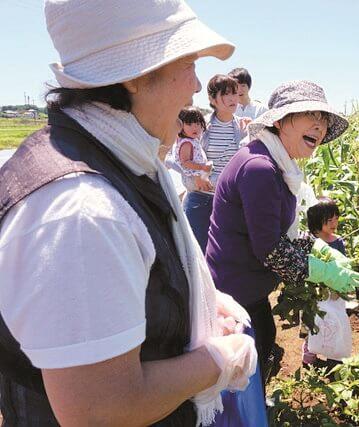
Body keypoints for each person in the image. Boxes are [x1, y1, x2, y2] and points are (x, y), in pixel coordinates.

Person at [0, 1, 257, 425]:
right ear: (137, 74)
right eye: (188, 61)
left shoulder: (116, 156)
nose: (196, 85)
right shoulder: (83, 214)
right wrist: (216, 360)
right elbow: (100, 410)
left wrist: (201, 304)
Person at [205, 80, 359, 385]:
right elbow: (270, 248)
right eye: (310, 117)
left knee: (262, 350)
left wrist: (318, 249)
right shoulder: (260, 168)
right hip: (234, 295)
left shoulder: (276, 163)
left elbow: (276, 232)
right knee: (242, 373)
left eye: (324, 121)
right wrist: (320, 269)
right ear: (279, 121)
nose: (319, 128)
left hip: (247, 290)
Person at [184, 74, 247, 253]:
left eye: (235, 93)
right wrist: (196, 175)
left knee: (226, 257)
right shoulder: (201, 125)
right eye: (226, 94)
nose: (233, 98)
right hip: (201, 199)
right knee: (197, 256)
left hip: (229, 202)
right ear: (212, 98)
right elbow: (177, 156)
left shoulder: (243, 128)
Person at [301, 197, 350, 366]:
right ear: (316, 221)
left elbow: (342, 266)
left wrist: (339, 288)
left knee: (332, 322)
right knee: (312, 321)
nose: (334, 223)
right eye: (329, 220)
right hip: (314, 292)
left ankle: (333, 355)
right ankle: (309, 353)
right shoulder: (309, 241)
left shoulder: (337, 242)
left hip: (333, 292)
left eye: (336, 219)